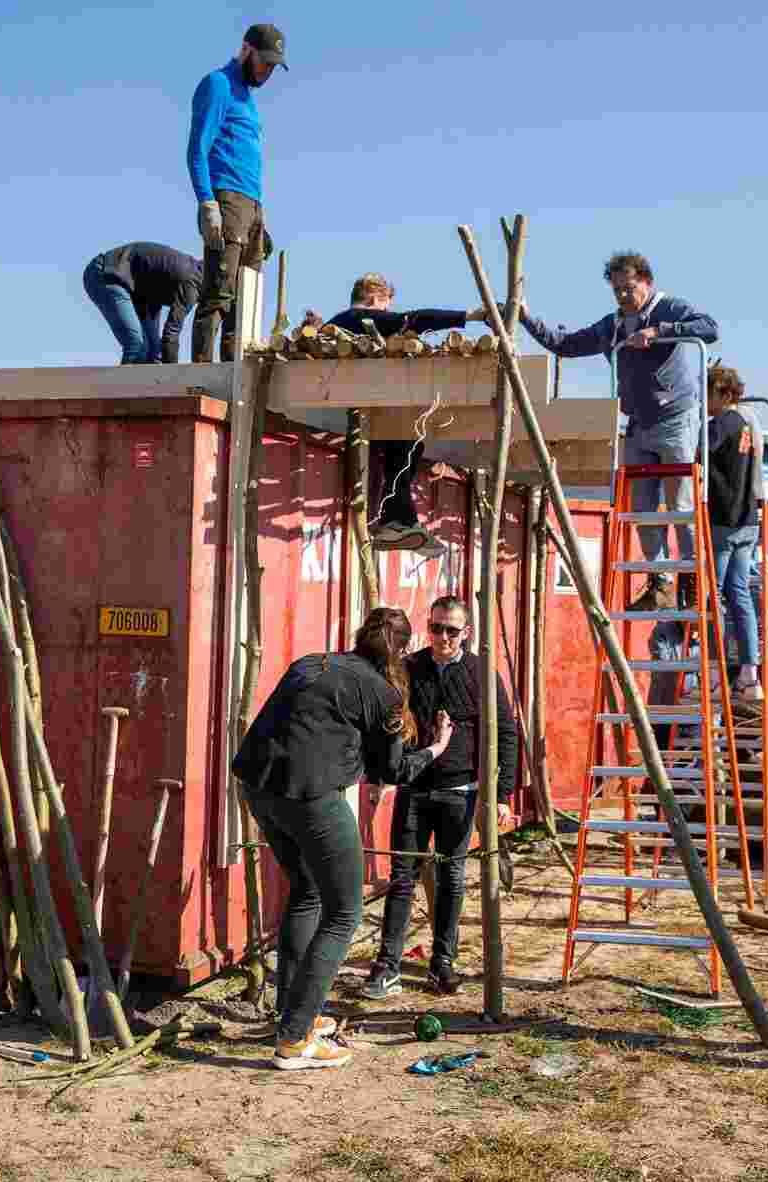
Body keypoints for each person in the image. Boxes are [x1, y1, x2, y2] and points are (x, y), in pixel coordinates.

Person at [233, 606, 453, 1070]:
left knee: (307, 892)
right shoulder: (385, 694)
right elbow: (390, 771)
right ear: (403, 649)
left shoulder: (311, 663)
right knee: (345, 911)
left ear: (360, 637)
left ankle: (293, 1017)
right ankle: (294, 1040)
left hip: (257, 786)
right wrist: (435, 749)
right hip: (310, 796)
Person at [518, 252, 718, 611]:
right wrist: (526, 319)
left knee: (679, 505)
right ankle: (660, 581)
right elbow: (565, 344)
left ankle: (693, 580)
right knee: (642, 508)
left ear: (647, 282)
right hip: (639, 424)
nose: (624, 297)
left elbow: (709, 328)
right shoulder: (612, 326)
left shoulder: (668, 308)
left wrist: (658, 332)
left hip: (675, 418)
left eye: (629, 289)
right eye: (617, 292)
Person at [363, 595, 518, 999]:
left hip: (460, 791)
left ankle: (441, 963)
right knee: (401, 878)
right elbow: (388, 725)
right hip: (414, 789)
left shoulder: (481, 673)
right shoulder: (410, 668)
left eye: (451, 629)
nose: (443, 636)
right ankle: (387, 966)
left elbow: (504, 733)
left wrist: (502, 794)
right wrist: (380, 776)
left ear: (466, 632)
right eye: (436, 628)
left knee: (451, 879)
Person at [329, 274, 488, 552]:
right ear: (374, 298)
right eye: (386, 305)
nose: (388, 313)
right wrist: (470, 315)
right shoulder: (359, 318)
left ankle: (400, 522)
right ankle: (397, 522)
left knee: (406, 451)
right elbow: (414, 319)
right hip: (370, 406)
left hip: (364, 404)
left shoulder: (337, 323)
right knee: (405, 446)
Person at [187, 23, 287, 363]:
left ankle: (234, 378)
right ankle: (200, 377)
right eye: (264, 62)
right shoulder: (219, 84)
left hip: (252, 204)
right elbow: (197, 149)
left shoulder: (248, 97)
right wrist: (207, 202)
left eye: (274, 66)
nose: (268, 71)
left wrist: (258, 217)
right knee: (219, 292)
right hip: (227, 198)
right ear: (246, 50)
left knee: (247, 303)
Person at [705, 364, 765, 700]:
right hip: (746, 523)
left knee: (714, 597)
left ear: (725, 394)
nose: (704, 398)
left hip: (723, 522)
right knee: (740, 596)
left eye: (709, 391)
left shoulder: (721, 424)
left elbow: (697, 453)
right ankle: (748, 676)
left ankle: (714, 675)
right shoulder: (746, 425)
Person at [81, 242, 202, 364]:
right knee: (137, 345)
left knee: (153, 352)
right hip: (107, 274)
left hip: (140, 291)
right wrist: (173, 379)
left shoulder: (193, 273)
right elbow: (171, 334)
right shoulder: (192, 283)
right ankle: (123, 383)